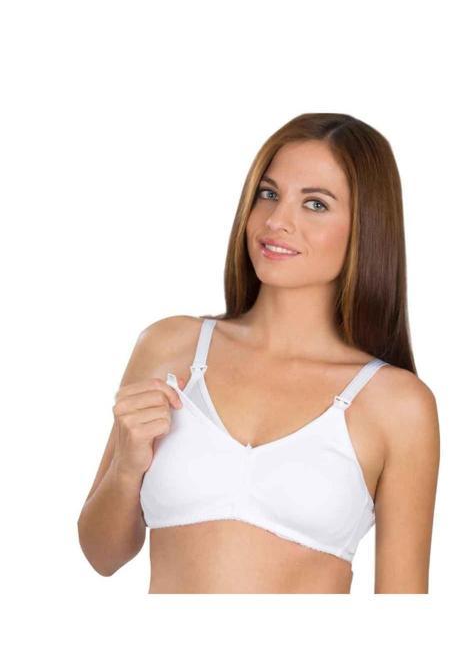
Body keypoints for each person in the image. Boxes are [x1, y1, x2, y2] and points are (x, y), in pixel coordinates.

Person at [77, 113, 440, 594]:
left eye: (315, 204)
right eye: (268, 194)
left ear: (366, 228)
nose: (276, 221)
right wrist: (127, 467)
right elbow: (101, 555)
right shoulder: (171, 347)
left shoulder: (398, 405)